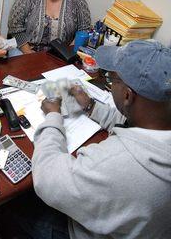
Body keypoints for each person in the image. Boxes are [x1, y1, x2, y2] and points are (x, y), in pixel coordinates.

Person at [13, 39, 171, 238]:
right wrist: (91, 107)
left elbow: (47, 177)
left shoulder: (111, 163)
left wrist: (53, 116)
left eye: (111, 80)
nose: (111, 84)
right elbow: (136, 121)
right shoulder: (160, 116)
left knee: (17, 205)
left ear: (127, 96)